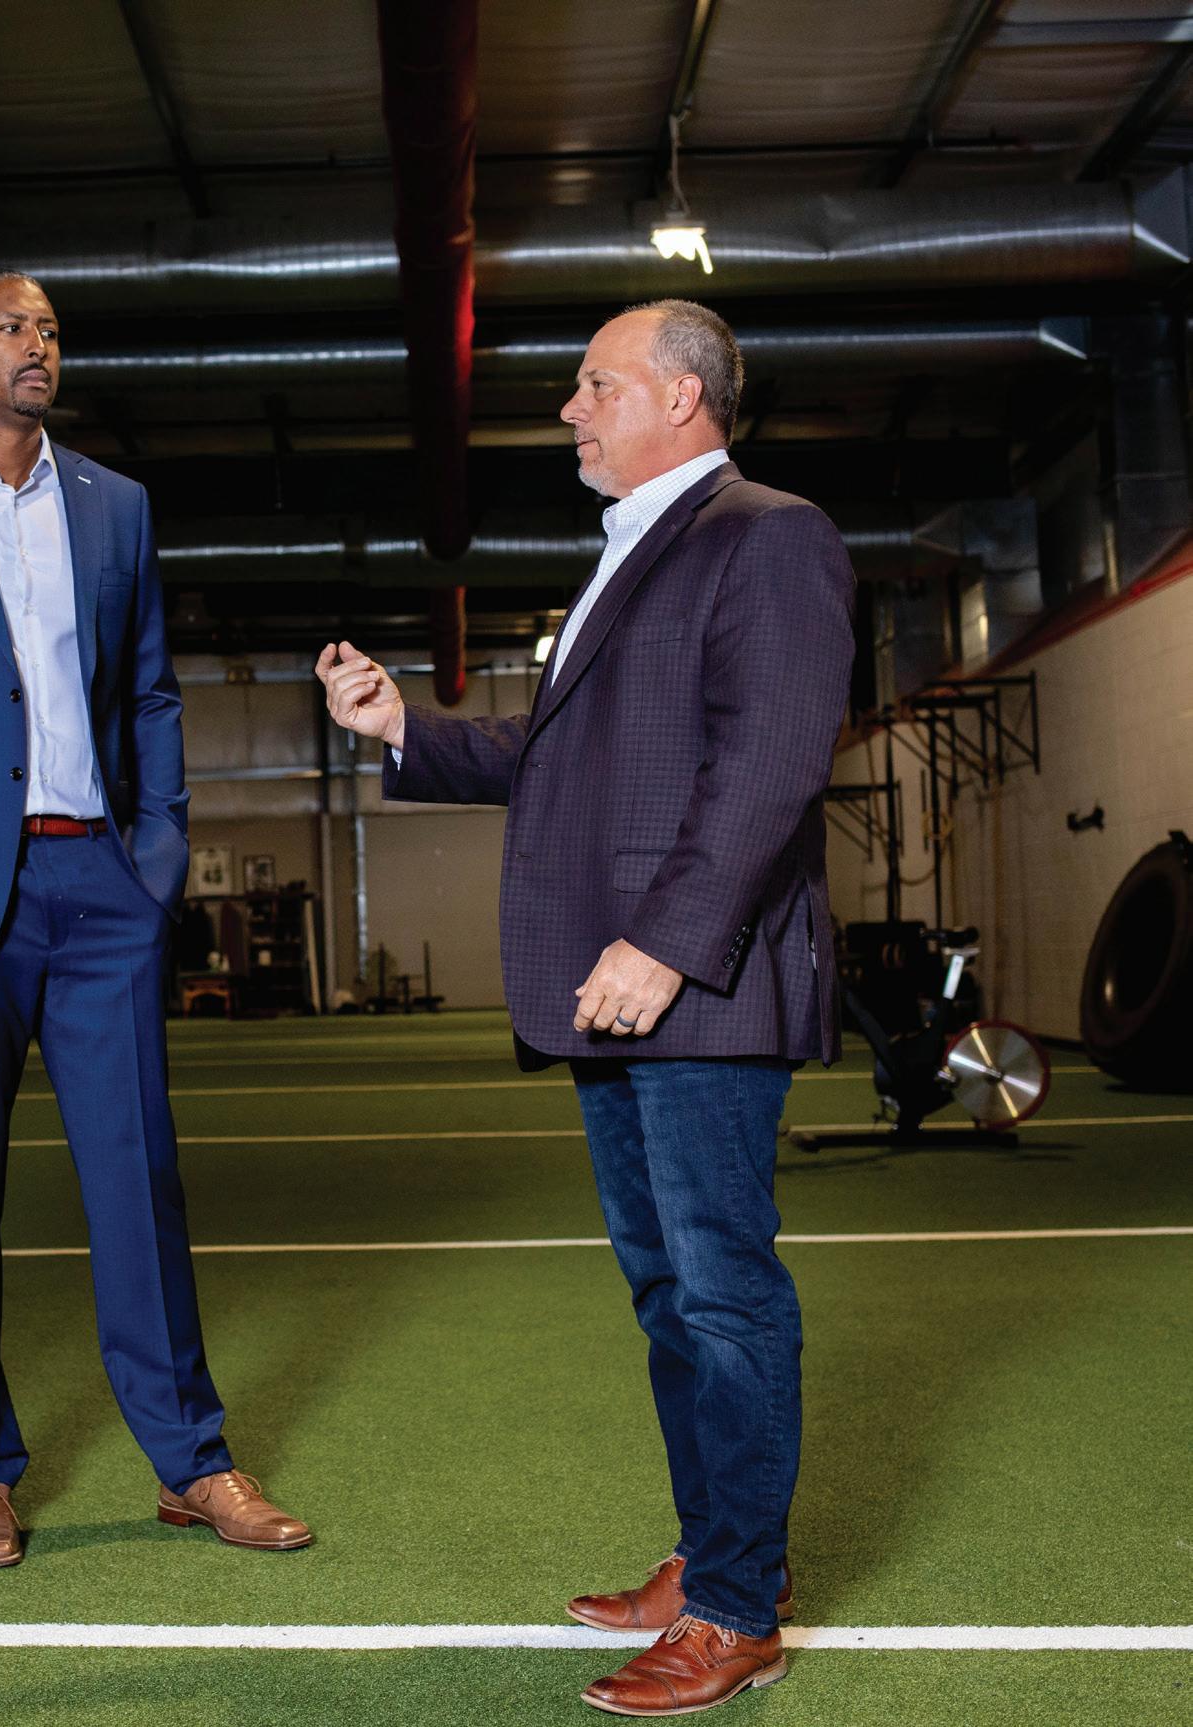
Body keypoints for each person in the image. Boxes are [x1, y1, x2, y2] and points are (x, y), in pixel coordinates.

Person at [318, 300, 853, 1717]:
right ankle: (711, 1554)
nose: (569, 408)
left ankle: (735, 1609)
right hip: (618, 994)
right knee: (669, 1292)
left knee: (724, 1294)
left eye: (594, 384)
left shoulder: (768, 535)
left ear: (680, 398)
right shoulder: (634, 549)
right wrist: (402, 729)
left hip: (691, 986)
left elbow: (770, 763)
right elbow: (562, 754)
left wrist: (664, 946)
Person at [0, 270, 309, 1568]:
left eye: (47, 330)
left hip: (100, 887)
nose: (35, 345)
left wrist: (157, 861)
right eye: (9, 328)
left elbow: (149, 691)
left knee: (138, 1180)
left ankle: (192, 1461)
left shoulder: (114, 504)